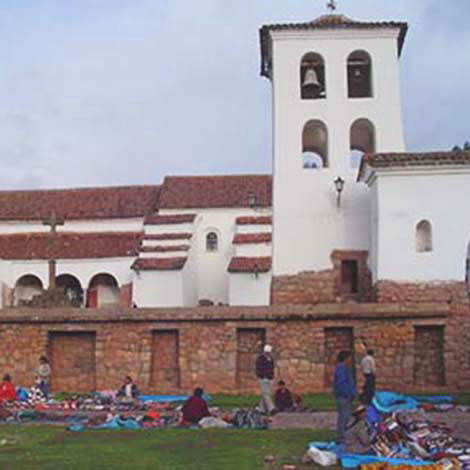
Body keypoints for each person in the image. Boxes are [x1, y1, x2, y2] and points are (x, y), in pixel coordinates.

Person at [334, 350, 355, 444]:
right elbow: (341, 384)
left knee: (346, 417)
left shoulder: (344, 368)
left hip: (345, 396)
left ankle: (343, 436)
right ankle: (341, 438)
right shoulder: (341, 369)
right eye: (349, 358)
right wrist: (348, 394)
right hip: (344, 397)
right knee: (344, 417)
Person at [255, 344, 275, 415]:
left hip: (270, 378)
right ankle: (271, 408)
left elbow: (272, 368)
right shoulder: (260, 359)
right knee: (266, 394)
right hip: (263, 378)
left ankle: (262, 409)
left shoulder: (271, 358)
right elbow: (258, 369)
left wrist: (272, 376)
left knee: (266, 394)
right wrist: (262, 376)